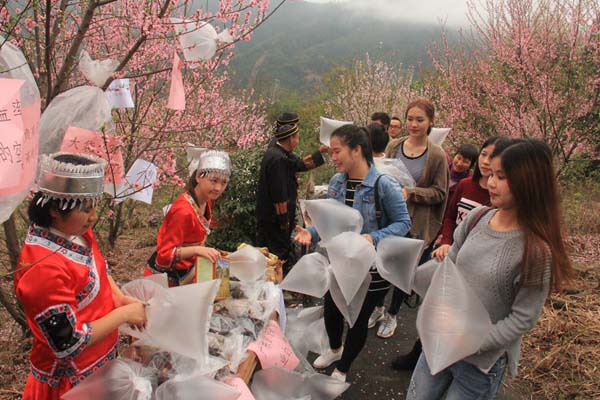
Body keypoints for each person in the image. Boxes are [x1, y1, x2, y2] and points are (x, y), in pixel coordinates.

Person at [407, 139, 573, 400]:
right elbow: (449, 272)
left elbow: (523, 318)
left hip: (479, 365)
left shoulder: (535, 251)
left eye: (502, 177)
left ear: (529, 182)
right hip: (440, 344)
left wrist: (472, 342)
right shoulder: (478, 218)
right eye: (492, 174)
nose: (491, 183)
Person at [14, 152, 147, 400]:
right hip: (70, 383)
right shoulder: (42, 269)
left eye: (94, 206)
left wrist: (119, 299)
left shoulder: (77, 231)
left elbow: (100, 270)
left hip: (98, 366)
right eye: (85, 209)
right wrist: (124, 315)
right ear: (56, 209)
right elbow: (69, 342)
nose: (94, 217)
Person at [294, 125, 411, 382]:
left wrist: (373, 236)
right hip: (340, 261)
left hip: (371, 267)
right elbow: (331, 222)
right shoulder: (337, 182)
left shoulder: (384, 185)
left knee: (357, 319)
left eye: (337, 151)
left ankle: (343, 368)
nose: (332, 157)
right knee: (333, 310)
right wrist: (311, 233)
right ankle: (335, 350)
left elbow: (404, 223)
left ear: (357, 150)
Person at [145, 150, 231, 286]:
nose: (218, 188)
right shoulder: (183, 211)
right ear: (198, 177)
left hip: (187, 270)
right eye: (213, 181)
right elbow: (164, 255)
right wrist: (198, 250)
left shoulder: (206, 200)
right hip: (165, 279)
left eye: (224, 183)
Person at [256, 123, 328, 271]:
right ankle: (275, 285)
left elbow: (299, 164)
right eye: (297, 137)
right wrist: (284, 221)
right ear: (290, 139)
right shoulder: (278, 159)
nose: (298, 140)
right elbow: (279, 194)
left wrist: (320, 152)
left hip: (269, 216)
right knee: (277, 254)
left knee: (271, 252)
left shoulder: (278, 152)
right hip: (274, 218)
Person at [434, 137, 509, 258]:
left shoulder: (500, 197)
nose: (485, 161)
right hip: (449, 250)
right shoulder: (465, 184)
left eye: (492, 157)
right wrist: (446, 241)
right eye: (483, 154)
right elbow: (450, 216)